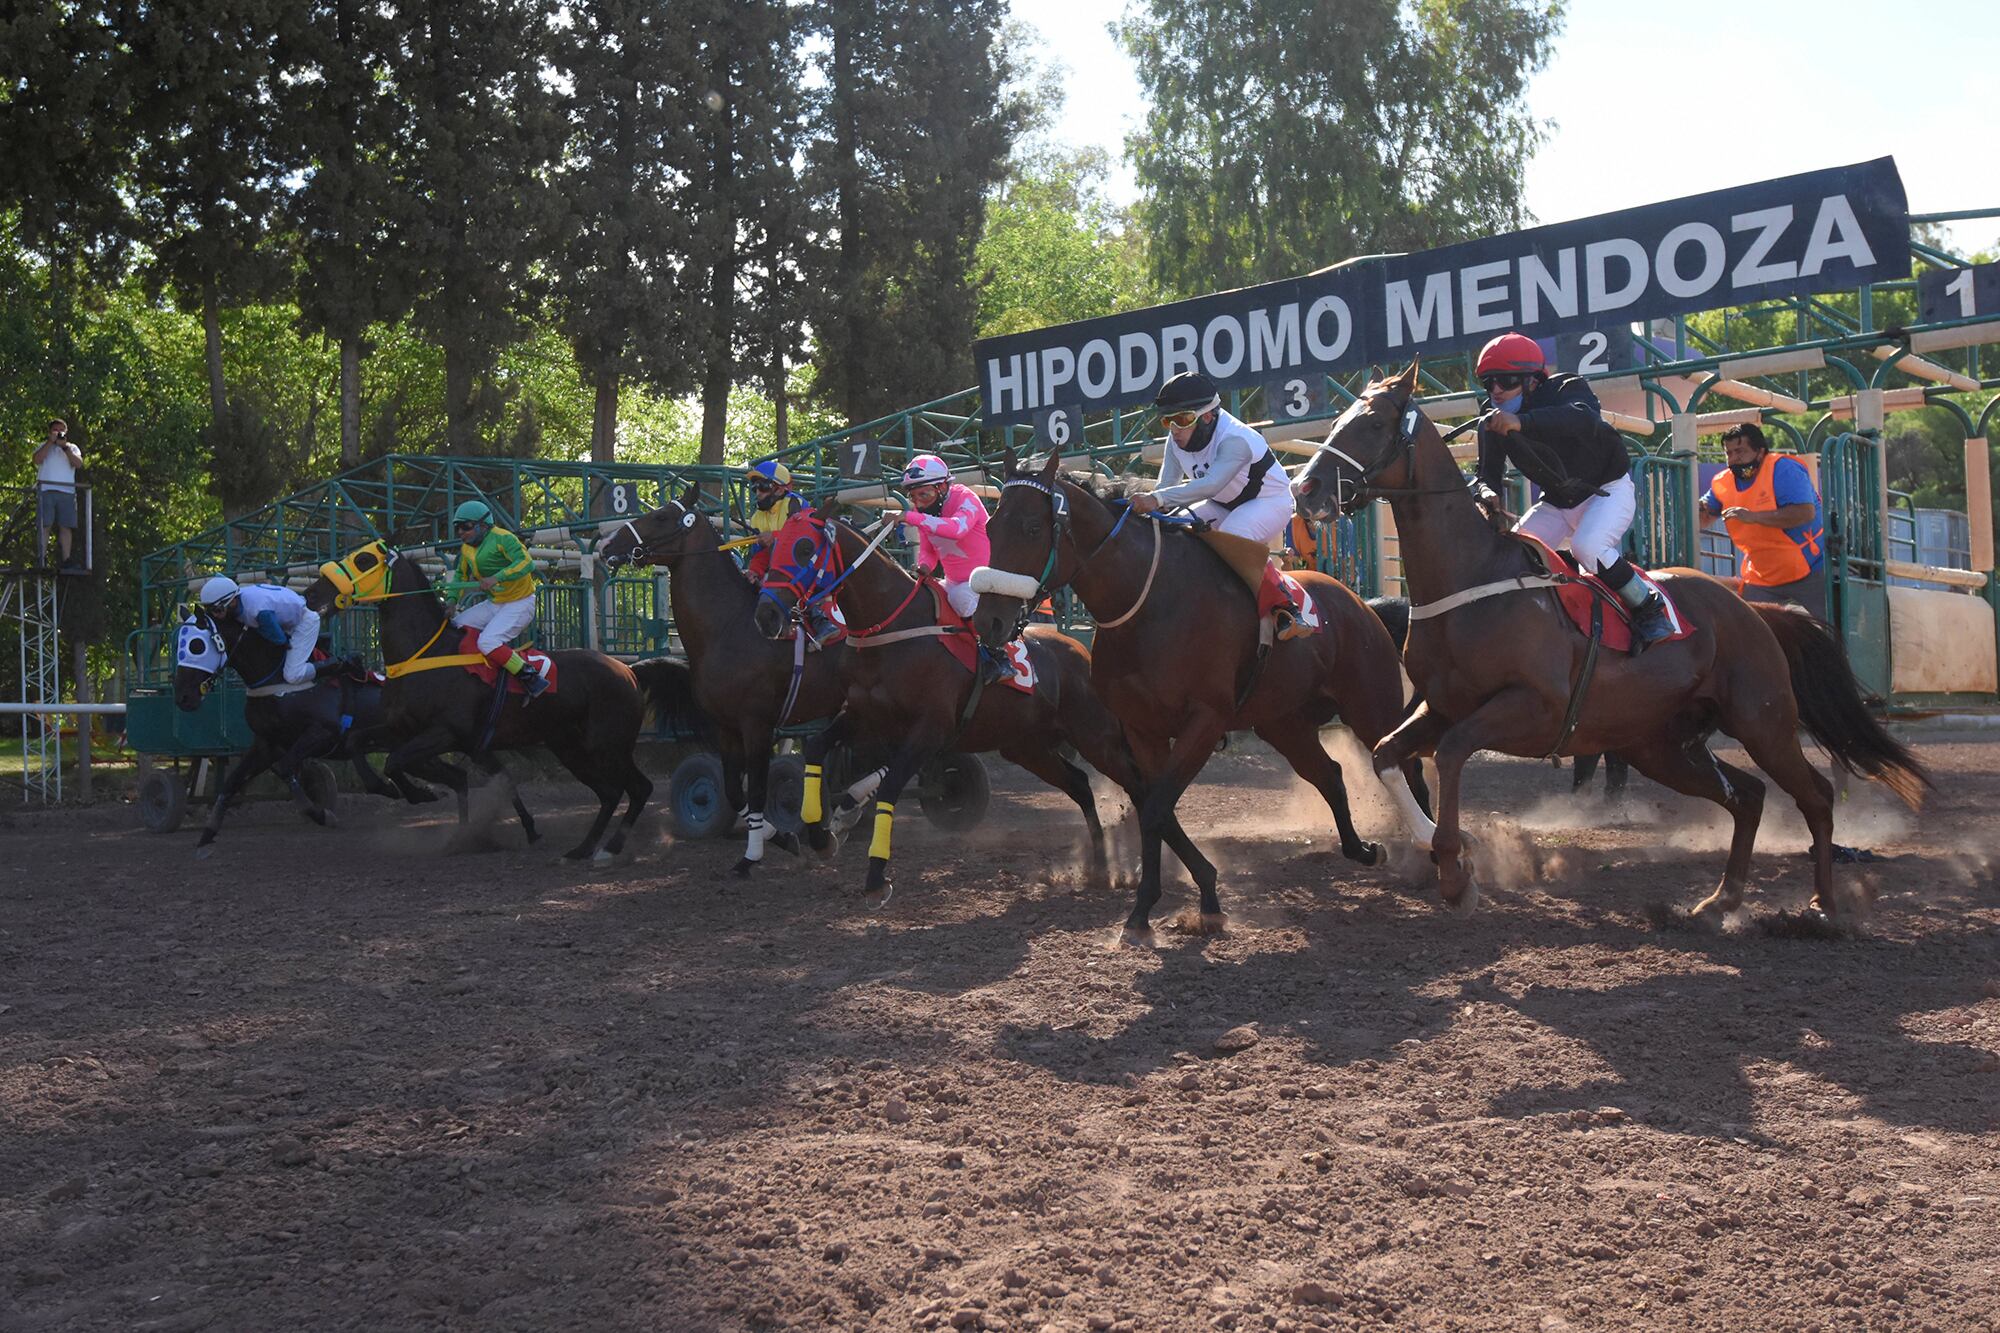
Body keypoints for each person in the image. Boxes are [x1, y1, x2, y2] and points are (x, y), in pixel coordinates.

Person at [1471, 332, 1672, 652]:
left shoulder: (1568, 387)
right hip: (1555, 502)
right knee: (1512, 557)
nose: (1495, 390)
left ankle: (1649, 608)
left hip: (1608, 492)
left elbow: (1582, 419)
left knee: (1588, 546)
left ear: (1533, 381)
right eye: (1489, 382)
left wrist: (1521, 422)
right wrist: (1485, 493)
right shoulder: (1491, 419)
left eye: (1505, 380)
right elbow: (1488, 476)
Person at [1128, 371, 1309, 641]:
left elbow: (1210, 485)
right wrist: (1152, 508)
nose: (1175, 429)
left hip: (1268, 501)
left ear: (1208, 417)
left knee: (1231, 536)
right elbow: (1167, 485)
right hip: (1222, 502)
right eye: (1168, 421)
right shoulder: (1175, 441)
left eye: (1183, 419)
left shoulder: (1235, 440)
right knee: (1175, 531)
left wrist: (1158, 500)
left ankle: (1287, 608)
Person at [891, 453, 1007, 682]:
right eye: (913, 496)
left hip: (985, 579)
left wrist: (909, 517)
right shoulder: (924, 513)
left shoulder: (965, 498)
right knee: (924, 598)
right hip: (954, 581)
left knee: (961, 598)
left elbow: (957, 529)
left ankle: (997, 657)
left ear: (942, 486)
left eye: (924, 494)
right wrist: (924, 567)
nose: (919, 502)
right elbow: (929, 550)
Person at [1700, 422, 1826, 621]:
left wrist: (1753, 517)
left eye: (1739, 451)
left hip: (1811, 568)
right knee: (1746, 629)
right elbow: (1704, 513)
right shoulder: (1723, 482)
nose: (1733, 459)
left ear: (1760, 452)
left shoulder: (1784, 469)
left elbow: (1804, 513)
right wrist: (1695, 512)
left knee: (1837, 632)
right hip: (1763, 575)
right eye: (1728, 453)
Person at [448, 499, 547, 699]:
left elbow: (526, 563)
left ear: (483, 526)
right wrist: (451, 601)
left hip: (520, 603)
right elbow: (460, 575)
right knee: (455, 626)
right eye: (457, 527)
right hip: (494, 604)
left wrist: (497, 577)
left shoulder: (504, 538)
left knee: (488, 641)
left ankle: (531, 677)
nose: (461, 532)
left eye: (465, 527)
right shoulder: (466, 548)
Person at [197, 575, 343, 687]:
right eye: (210, 611)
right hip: (289, 617)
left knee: (292, 675)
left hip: (303, 622)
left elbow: (280, 640)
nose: (215, 615)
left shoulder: (258, 611)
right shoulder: (237, 597)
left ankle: (336, 665)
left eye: (217, 610)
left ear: (233, 601)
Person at [33, 418, 83, 570]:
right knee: (44, 525)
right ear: (50, 432)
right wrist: (50, 442)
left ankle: (66, 559)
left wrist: (65, 448)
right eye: (55, 430)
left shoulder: (72, 447)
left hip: (66, 492)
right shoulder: (43, 446)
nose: (58, 433)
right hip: (46, 490)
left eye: (61, 430)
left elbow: (78, 464)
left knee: (66, 526)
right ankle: (41, 558)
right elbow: (37, 459)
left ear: (66, 432)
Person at [742, 459, 803, 582]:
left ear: (780, 489)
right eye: (755, 488)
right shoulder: (756, 518)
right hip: (778, 576)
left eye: (763, 487)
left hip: (804, 571)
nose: (758, 493)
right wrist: (754, 571)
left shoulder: (795, 504)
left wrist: (774, 537)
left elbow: (803, 540)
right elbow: (761, 554)